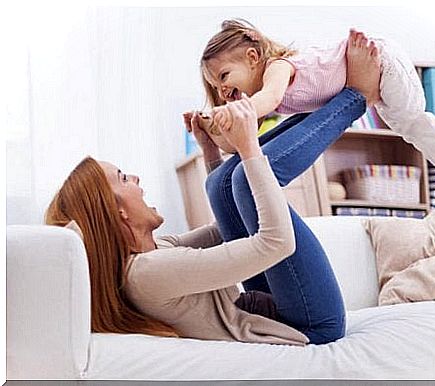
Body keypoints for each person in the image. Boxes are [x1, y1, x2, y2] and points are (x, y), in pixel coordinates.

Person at [45, 37, 378, 346]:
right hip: (312, 327)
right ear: (117, 211)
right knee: (245, 183)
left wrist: (211, 150)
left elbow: (231, 225)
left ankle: (330, 99)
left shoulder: (151, 253)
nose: (135, 178)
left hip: (274, 308)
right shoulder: (147, 274)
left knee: (223, 185)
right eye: (123, 178)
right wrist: (248, 149)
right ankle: (356, 97)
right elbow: (276, 242)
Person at [195, 19, 435, 212]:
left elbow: (270, 98)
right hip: (372, 77)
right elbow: (241, 145)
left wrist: (235, 110)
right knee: (402, 125)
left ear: (254, 57)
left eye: (224, 76)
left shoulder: (277, 69)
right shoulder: (261, 97)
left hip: (380, 59)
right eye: (217, 86)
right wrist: (212, 135)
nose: (222, 88)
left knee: (411, 120)